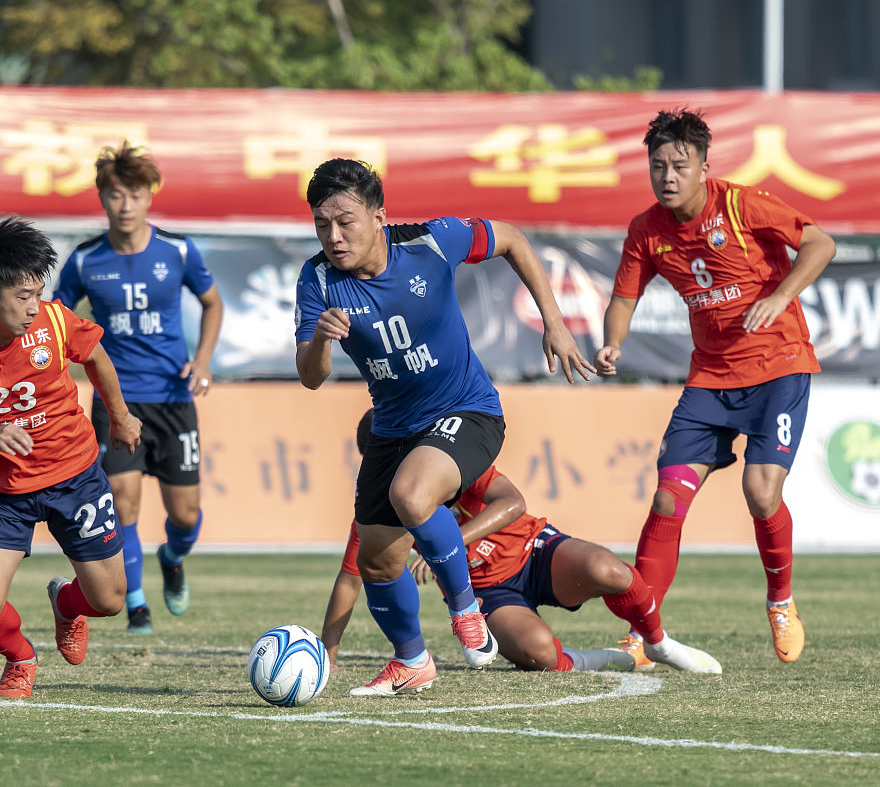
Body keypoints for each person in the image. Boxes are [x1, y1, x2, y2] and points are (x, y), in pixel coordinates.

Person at [294, 158, 595, 697]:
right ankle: (412, 661)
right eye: (322, 224)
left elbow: (514, 241)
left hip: (469, 411)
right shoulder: (316, 279)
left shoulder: (432, 242)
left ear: (379, 215)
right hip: (393, 428)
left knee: (412, 494)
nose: (334, 237)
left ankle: (465, 607)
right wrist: (321, 340)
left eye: (346, 221)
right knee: (378, 558)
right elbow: (310, 378)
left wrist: (555, 322)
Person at [596, 108, 836, 666]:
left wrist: (779, 297)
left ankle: (780, 600)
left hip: (779, 366)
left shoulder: (742, 203)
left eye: (680, 164)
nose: (668, 176)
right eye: (658, 165)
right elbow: (624, 299)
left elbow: (820, 244)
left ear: (705, 166)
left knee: (760, 492)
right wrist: (613, 343)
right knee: (666, 497)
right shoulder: (646, 230)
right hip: (709, 381)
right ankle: (642, 629)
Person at [0, 217, 141, 698]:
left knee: (110, 600)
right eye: (23, 296)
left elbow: (95, 355)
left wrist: (120, 417)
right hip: (1, 493)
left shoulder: (54, 321)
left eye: (38, 293)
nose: (34, 307)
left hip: (74, 477)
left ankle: (67, 602)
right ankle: (21, 658)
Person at [321, 410, 722, 676]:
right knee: (540, 654)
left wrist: (452, 543)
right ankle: (593, 661)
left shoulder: (454, 464)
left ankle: (658, 643)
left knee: (611, 572)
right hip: (487, 594)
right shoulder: (379, 510)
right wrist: (330, 654)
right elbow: (351, 578)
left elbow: (514, 503)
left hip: (534, 552)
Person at [54, 142, 223, 634]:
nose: (124, 205)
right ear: (102, 199)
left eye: (133, 194)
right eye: (114, 195)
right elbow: (56, 319)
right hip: (116, 401)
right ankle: (136, 605)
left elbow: (213, 303)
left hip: (173, 399)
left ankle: (172, 557)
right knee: (122, 503)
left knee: (185, 515)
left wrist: (204, 360)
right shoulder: (85, 260)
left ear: (149, 196)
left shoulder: (178, 250)